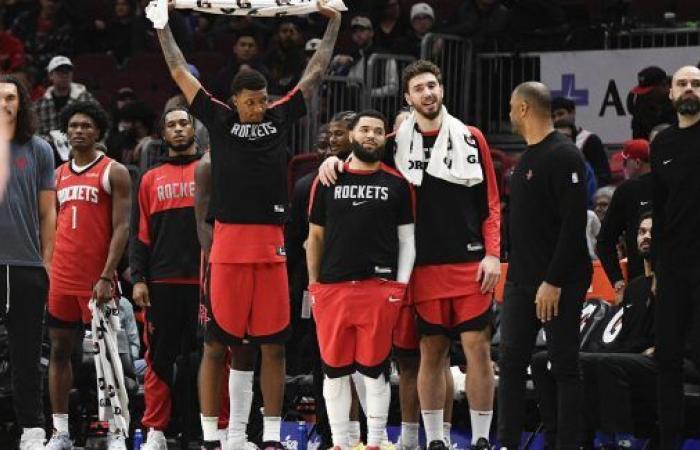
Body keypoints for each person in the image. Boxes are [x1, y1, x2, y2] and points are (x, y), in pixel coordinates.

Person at [155, 0, 341, 447]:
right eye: (250, 101)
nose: (258, 107)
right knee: (218, 344)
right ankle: (215, 436)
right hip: (229, 246)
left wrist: (334, 21)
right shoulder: (217, 119)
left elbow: (313, 75)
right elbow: (180, 72)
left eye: (262, 100)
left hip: (271, 246)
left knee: (271, 345)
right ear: (234, 100)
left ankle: (271, 436)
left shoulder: (279, 118)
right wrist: (162, 25)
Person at [319, 60, 501, 450]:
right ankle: (435, 441)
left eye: (432, 85)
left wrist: (492, 254)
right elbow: (361, 154)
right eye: (419, 88)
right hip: (423, 265)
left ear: (442, 89)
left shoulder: (471, 137)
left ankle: (483, 439)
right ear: (408, 97)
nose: (428, 93)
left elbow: (491, 202)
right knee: (431, 351)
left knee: (477, 349)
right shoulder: (397, 140)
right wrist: (333, 161)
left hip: (470, 262)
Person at [307, 109, 416, 450]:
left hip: (380, 289)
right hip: (333, 289)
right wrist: (314, 285)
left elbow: (407, 241)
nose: (371, 135)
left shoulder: (397, 184)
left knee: (374, 371)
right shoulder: (327, 180)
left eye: (378, 131)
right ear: (352, 136)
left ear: (386, 138)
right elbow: (314, 238)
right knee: (334, 371)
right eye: (365, 130)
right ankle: (340, 443)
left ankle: (377, 441)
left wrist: (399, 286)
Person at [499, 82, 592, 450]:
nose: (508, 114)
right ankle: (506, 442)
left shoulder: (564, 155)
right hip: (522, 281)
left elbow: (574, 226)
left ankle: (568, 443)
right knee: (509, 364)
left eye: (510, 106)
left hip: (559, 281)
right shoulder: (526, 159)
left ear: (523, 108)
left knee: (564, 365)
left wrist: (552, 281)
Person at [45, 101, 132, 450]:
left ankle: (115, 430)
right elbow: (50, 227)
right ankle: (61, 432)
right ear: (66, 132)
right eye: (74, 126)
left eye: (86, 126)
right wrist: (49, 268)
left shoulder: (114, 171)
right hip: (62, 278)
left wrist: (108, 275)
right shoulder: (56, 175)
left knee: (108, 356)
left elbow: (123, 226)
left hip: (98, 280)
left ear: (98, 132)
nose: (79, 130)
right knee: (59, 351)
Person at [531, 212, 657, 450]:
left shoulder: (677, 282)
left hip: (658, 359)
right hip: (628, 357)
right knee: (542, 360)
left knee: (601, 362)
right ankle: (558, 440)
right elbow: (627, 338)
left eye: (652, 232)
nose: (646, 237)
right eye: (642, 232)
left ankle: (621, 441)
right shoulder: (634, 288)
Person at [129, 107, 204, 450]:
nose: (177, 129)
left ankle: (217, 429)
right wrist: (140, 279)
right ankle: (156, 431)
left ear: (194, 129)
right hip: (163, 282)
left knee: (217, 356)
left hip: (207, 281)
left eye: (183, 123)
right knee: (158, 359)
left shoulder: (210, 170)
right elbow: (140, 234)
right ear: (163, 134)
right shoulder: (149, 179)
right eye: (171, 125)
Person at [0, 74, 56, 450]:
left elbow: (48, 214)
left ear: (22, 103)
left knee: (26, 353)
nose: (4, 103)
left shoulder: (39, 149)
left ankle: (32, 429)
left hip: (25, 265)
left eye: (10, 97)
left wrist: (48, 264)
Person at [194, 150, 260, 450]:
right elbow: (203, 227)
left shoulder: (261, 157)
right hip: (220, 263)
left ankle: (236, 435)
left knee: (246, 350)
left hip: (255, 259)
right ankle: (211, 436)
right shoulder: (208, 165)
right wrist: (223, 263)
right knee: (215, 347)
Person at [651, 65, 700, 450]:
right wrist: (656, 270)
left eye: (696, 84)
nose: (689, 89)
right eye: (682, 84)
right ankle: (670, 441)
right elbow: (662, 211)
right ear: (670, 94)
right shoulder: (662, 143)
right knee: (666, 358)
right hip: (672, 268)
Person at [596, 139, 652, 303]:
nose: (623, 167)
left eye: (625, 162)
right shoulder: (672, 185)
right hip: (674, 280)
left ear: (636, 162)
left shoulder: (627, 190)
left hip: (640, 283)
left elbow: (604, 242)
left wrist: (617, 281)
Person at [35, 56, 97, 159]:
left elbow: (102, 124)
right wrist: (52, 141)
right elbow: (34, 132)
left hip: (82, 149)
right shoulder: (41, 104)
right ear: (51, 75)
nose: (65, 75)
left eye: (67, 72)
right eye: (60, 72)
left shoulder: (85, 99)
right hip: (49, 153)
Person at [551, 97, 611, 187]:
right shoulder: (548, 145)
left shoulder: (590, 140)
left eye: (560, 114)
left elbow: (603, 177)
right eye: (553, 116)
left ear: (572, 113)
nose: (557, 119)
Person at [627, 66, 675, 140]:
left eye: (649, 92)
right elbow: (638, 138)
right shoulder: (640, 108)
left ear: (664, 86)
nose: (645, 95)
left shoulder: (683, 102)